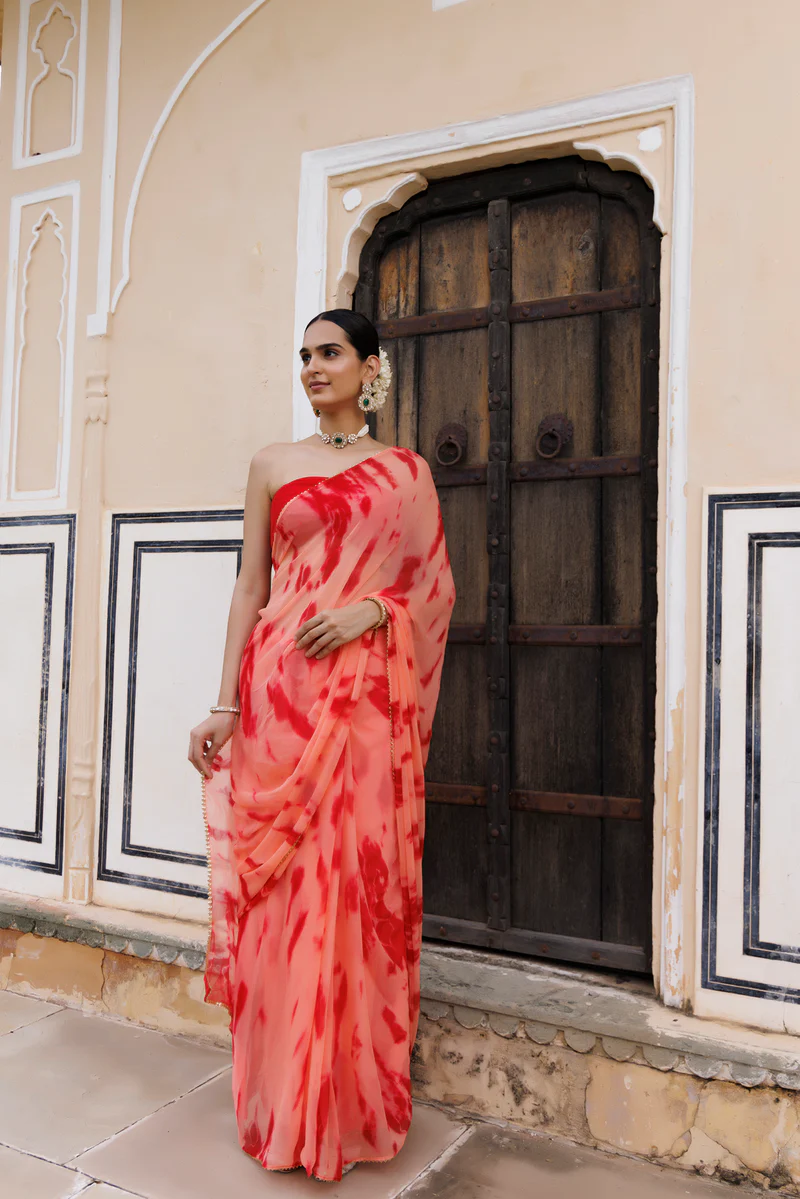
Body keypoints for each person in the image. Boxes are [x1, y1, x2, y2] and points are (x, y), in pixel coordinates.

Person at [188, 310, 456, 1182]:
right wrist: (224, 702)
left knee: (354, 887)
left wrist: (372, 610)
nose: (312, 366)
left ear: (370, 367)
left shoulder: (408, 473)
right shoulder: (274, 462)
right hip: (278, 698)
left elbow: (430, 590)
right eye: (304, 355)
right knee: (281, 900)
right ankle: (279, 1099)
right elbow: (250, 583)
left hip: (367, 705)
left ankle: (345, 1103)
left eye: (330, 352)